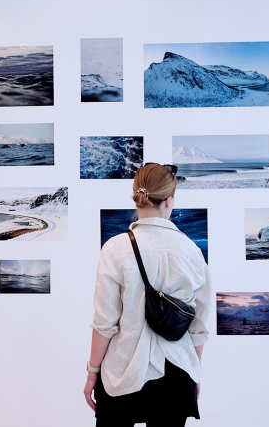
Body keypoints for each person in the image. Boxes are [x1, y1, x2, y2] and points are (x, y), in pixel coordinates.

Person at [84, 163, 213, 427]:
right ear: (169, 201)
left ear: (138, 196)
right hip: (176, 374)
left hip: (122, 375)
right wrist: (194, 373)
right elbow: (198, 327)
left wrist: (92, 373)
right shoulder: (192, 252)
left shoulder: (115, 248)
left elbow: (104, 323)